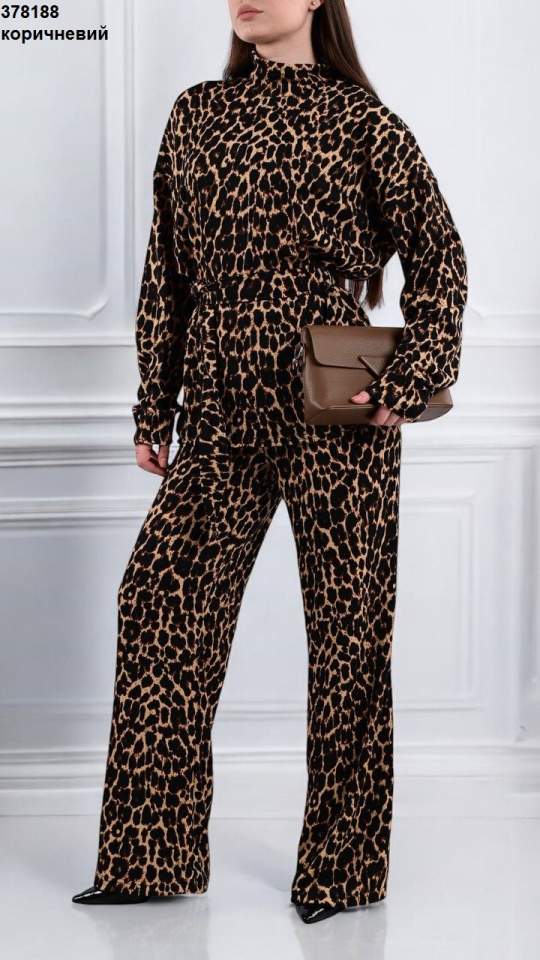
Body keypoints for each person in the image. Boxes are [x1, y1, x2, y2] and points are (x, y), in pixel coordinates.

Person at [72, 0, 468, 925]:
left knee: (348, 639)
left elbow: (440, 254)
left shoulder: (363, 121)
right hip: (217, 414)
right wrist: (154, 402)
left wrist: (413, 377)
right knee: (159, 606)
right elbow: (166, 271)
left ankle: (341, 872)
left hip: (336, 416)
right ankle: (151, 856)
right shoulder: (198, 114)